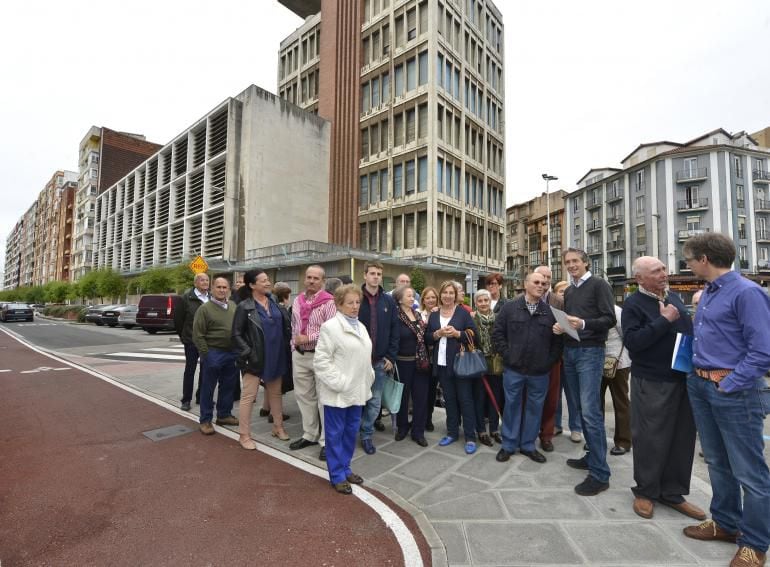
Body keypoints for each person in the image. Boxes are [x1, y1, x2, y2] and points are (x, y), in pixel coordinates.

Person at [681, 233, 770, 567]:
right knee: (717, 462)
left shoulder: (748, 293)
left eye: (689, 260)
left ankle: (755, 543)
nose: (687, 265)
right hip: (702, 386)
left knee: (750, 472)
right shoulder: (709, 294)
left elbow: (763, 351)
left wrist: (730, 383)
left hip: (734, 392)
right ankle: (725, 523)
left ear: (704, 259)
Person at [621, 256, 706, 522]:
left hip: (682, 377)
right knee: (650, 438)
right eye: (656, 271)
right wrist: (664, 320)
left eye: (663, 269)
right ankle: (645, 492)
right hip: (652, 380)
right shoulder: (633, 304)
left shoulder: (674, 298)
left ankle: (673, 493)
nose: (663, 274)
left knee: (682, 437)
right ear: (640, 278)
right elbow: (634, 342)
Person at [555, 248, 616, 496]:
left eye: (575, 261)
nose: (571, 265)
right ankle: (591, 457)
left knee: (590, 411)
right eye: (567, 262)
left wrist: (584, 324)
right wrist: (562, 327)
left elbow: (609, 318)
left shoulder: (599, 285)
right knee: (579, 408)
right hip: (570, 351)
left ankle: (600, 474)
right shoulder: (569, 291)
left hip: (590, 352)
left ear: (586, 263)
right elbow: (571, 321)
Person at [493, 271, 563, 464]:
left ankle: (528, 445)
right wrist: (508, 356)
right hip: (514, 370)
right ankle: (508, 445)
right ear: (526, 285)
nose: (541, 285)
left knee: (535, 409)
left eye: (544, 283)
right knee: (511, 407)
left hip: (539, 372)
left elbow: (558, 343)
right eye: (536, 282)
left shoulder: (550, 312)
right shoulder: (509, 308)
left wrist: (548, 363)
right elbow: (498, 334)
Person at [314, 284, 374, 495]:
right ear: (339, 304)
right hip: (338, 393)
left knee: (350, 433)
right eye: (350, 303)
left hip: (357, 391)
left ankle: (346, 468)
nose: (355, 306)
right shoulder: (330, 327)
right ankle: (337, 475)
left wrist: (369, 377)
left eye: (357, 302)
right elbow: (321, 362)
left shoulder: (361, 326)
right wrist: (340, 383)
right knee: (335, 435)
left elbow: (364, 357)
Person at [232, 269, 291, 450]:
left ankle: (278, 427)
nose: (267, 283)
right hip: (254, 359)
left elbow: (285, 327)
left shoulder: (274, 303)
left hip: (277, 356)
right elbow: (236, 334)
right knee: (248, 397)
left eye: (268, 280)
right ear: (252, 285)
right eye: (263, 280)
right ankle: (244, 434)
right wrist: (249, 352)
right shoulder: (245, 307)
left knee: (275, 394)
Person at [426, 280, 480, 454]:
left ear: (455, 296)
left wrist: (458, 334)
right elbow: (427, 338)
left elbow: (474, 335)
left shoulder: (462, 313)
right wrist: (436, 334)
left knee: (465, 400)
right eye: (445, 292)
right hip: (442, 364)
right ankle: (452, 432)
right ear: (440, 295)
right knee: (449, 400)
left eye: (451, 293)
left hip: (460, 364)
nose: (448, 296)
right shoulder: (434, 315)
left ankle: (470, 436)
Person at [289, 265, 337, 461]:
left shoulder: (329, 302)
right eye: (308, 277)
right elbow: (293, 325)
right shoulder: (297, 300)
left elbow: (331, 329)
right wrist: (294, 344)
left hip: (320, 355)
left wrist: (307, 337)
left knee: (324, 400)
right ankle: (310, 434)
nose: (311, 281)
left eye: (316, 278)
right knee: (304, 396)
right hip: (299, 355)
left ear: (323, 281)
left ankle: (326, 441)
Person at [358, 261, 400, 455]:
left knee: (375, 402)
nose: (376, 277)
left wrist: (390, 356)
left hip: (379, 361)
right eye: (372, 273)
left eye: (379, 274)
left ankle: (367, 434)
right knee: (357, 399)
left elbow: (394, 330)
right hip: (357, 362)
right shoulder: (356, 298)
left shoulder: (388, 301)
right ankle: (352, 432)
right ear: (365, 275)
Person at [192, 274, 239, 435]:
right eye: (218, 287)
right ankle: (205, 420)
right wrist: (206, 354)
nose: (221, 290)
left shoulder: (233, 306)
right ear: (212, 289)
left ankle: (224, 414)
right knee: (208, 387)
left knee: (228, 386)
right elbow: (198, 334)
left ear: (229, 290)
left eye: (224, 287)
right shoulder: (204, 309)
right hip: (213, 352)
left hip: (231, 353)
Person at [533, 265, 565, 453]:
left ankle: (547, 435)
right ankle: (530, 431)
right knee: (531, 399)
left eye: (547, 278)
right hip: (530, 360)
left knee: (551, 400)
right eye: (540, 278)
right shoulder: (521, 301)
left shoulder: (559, 301)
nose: (544, 281)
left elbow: (566, 327)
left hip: (553, 358)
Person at [393, 286, 430, 447]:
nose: (412, 298)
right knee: (402, 397)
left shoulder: (417, 314)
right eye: (409, 296)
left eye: (413, 295)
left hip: (420, 362)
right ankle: (402, 427)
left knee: (421, 397)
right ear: (400, 299)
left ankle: (418, 431)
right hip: (402, 362)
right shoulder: (395, 316)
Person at [473, 289, 504, 445]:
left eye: (486, 300)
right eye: (480, 301)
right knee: (480, 398)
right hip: (479, 364)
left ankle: (494, 429)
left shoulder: (498, 318)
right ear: (476, 303)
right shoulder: (472, 320)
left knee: (495, 398)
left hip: (496, 364)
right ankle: (481, 430)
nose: (483, 303)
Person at [174, 273, 209, 411]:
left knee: (206, 370)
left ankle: (201, 396)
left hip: (208, 342)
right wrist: (184, 337)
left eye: (207, 280)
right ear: (195, 283)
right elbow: (178, 320)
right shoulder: (186, 298)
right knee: (190, 370)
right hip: (191, 341)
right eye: (202, 280)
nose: (205, 282)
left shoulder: (211, 298)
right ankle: (186, 400)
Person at [258, 281, 292, 424]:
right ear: (286, 295)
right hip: (280, 349)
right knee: (278, 381)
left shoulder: (269, 307)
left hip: (267, 348)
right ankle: (274, 412)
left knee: (269, 378)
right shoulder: (281, 309)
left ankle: (265, 407)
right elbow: (287, 331)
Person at [552, 280, 582, 441]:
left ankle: (576, 427)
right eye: (561, 291)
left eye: (566, 291)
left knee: (572, 394)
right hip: (556, 359)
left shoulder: (575, 311)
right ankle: (556, 424)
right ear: (555, 294)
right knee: (555, 394)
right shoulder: (552, 311)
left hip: (572, 357)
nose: (564, 294)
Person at [601, 304, 632, 456]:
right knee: (595, 403)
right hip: (595, 361)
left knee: (621, 402)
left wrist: (623, 355)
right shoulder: (590, 307)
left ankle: (624, 441)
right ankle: (596, 439)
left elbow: (626, 335)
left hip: (618, 363)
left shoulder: (616, 310)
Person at [419, 286, 440, 431]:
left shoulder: (441, 313)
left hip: (435, 358)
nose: (431, 300)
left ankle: (428, 418)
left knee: (432, 390)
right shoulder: (418, 314)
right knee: (421, 391)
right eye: (428, 298)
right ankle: (419, 417)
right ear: (423, 300)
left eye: (433, 297)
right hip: (421, 358)